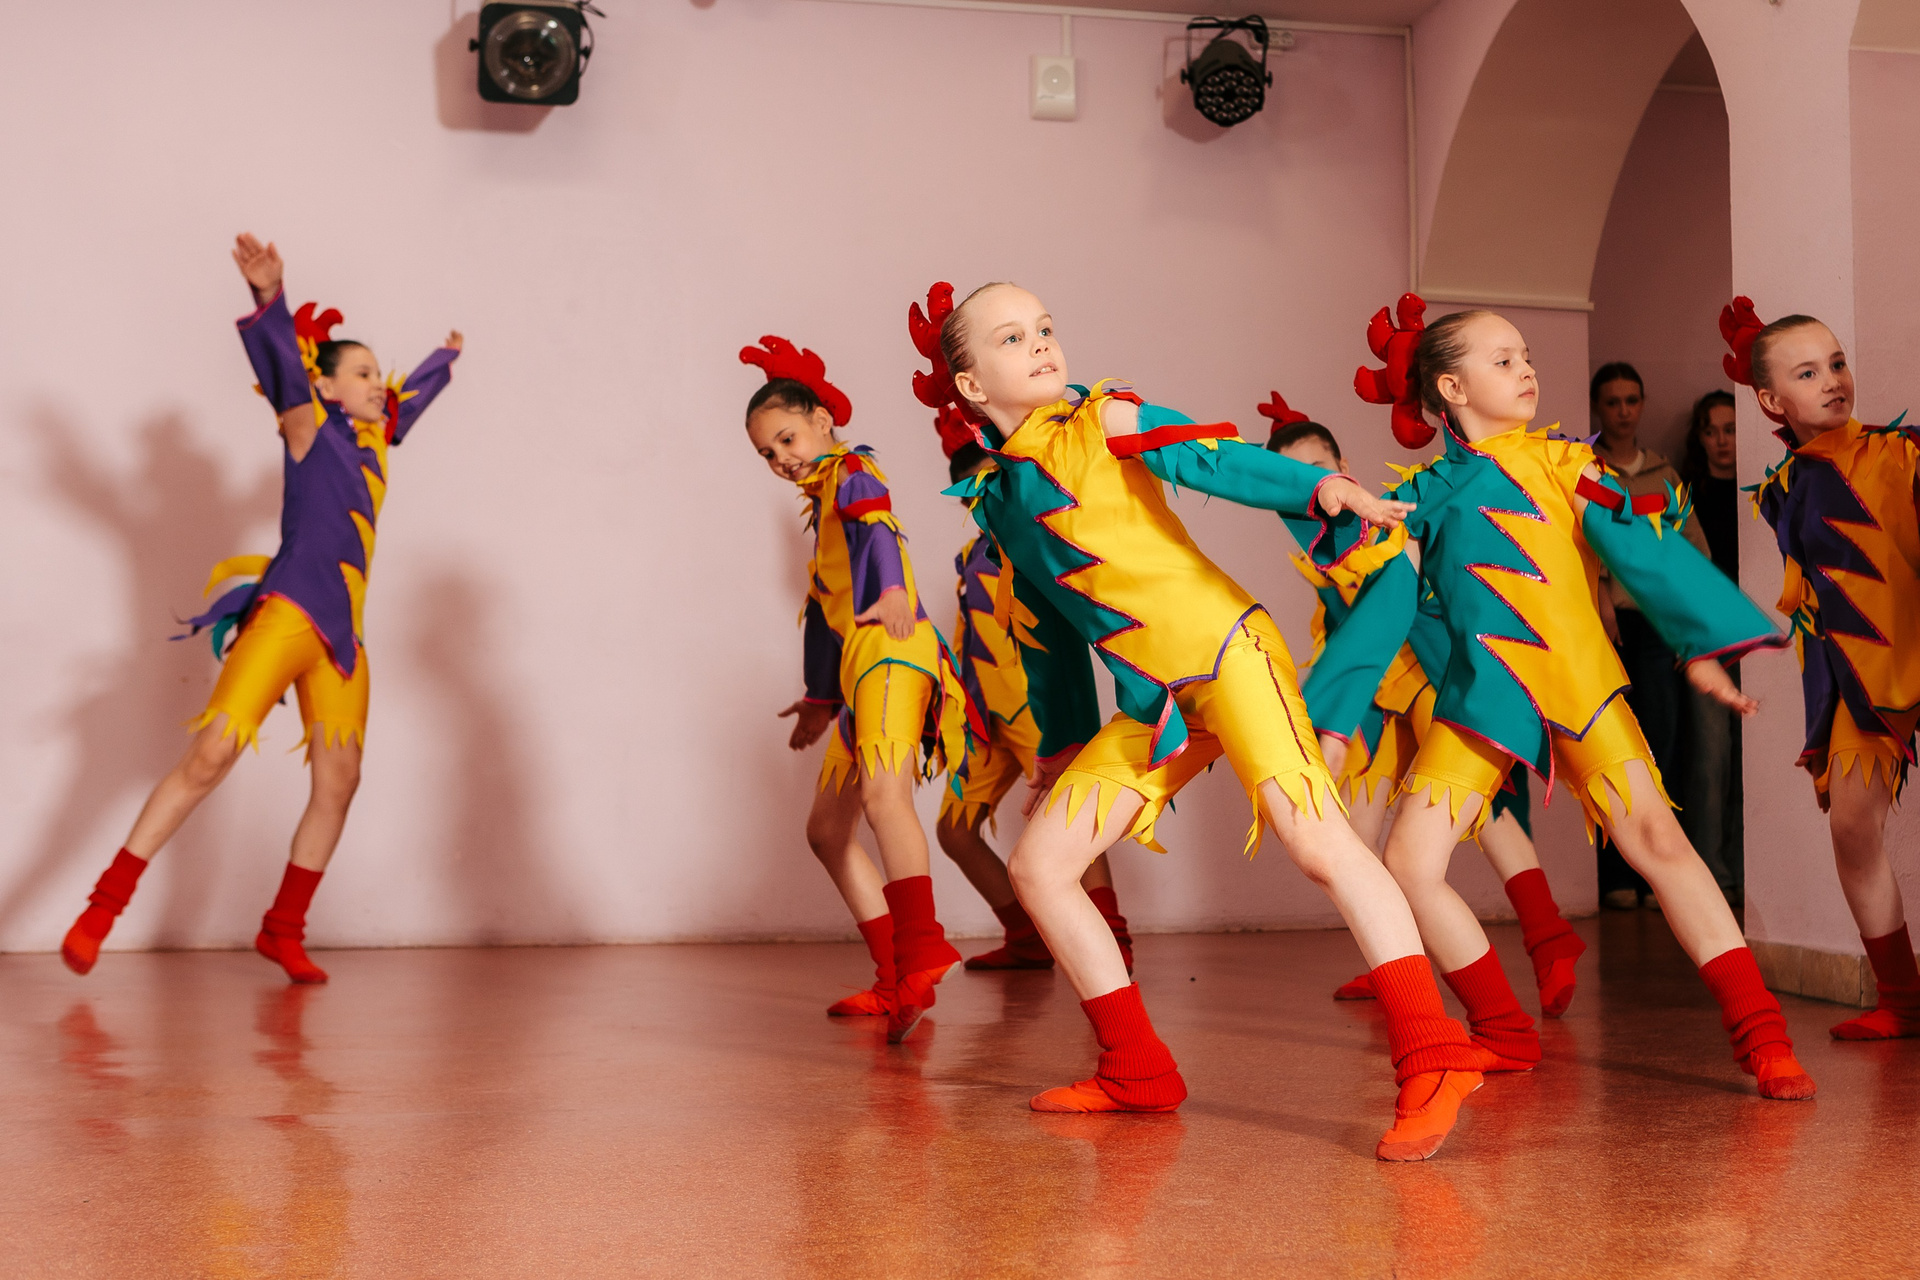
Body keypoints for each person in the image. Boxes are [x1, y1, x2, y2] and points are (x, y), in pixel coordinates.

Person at [929, 280, 1487, 1162]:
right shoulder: (997, 497)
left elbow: (1211, 459)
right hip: (1160, 705)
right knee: (1042, 866)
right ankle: (1137, 1068)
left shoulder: (1103, 417)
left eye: (1045, 327)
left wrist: (1322, 487)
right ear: (969, 385)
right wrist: (1064, 746)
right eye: (1011, 337)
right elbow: (1051, 631)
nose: (1039, 343)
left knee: (1317, 840)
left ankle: (1433, 1054)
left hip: (1230, 654)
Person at [1323, 295, 1814, 1100]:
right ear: (1451, 389)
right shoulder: (1421, 496)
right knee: (1409, 862)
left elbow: (1641, 549)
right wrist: (1335, 718)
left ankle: (1763, 1036)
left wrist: (1700, 645)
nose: (1527, 369)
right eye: (1504, 359)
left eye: (1526, 357)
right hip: (1482, 698)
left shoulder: (1563, 463)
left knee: (1659, 843)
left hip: (1579, 684)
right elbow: (1384, 609)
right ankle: (1503, 1030)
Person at [61, 234, 462, 984]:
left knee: (340, 780)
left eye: (378, 372)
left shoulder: (377, 441)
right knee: (211, 754)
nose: (378, 383)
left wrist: (446, 359)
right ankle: (102, 910)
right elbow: (283, 370)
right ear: (325, 387)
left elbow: (409, 401)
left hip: (342, 641)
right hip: (287, 616)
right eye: (363, 372)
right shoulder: (308, 431)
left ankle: (281, 929)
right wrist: (268, 295)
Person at [1261, 398, 1583, 1016]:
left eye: (1318, 471)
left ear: (1343, 471)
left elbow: (1414, 602)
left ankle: (1549, 938)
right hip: (1377, 698)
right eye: (1292, 480)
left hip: (1431, 676)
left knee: (1478, 811)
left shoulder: (1380, 522)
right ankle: (1393, 961)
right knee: (1354, 834)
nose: (1310, 488)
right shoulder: (1315, 548)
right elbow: (1345, 629)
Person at [743, 335, 974, 1044]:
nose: (781, 458)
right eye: (767, 453)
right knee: (827, 831)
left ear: (821, 420)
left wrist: (896, 589)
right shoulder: (821, 504)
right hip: (859, 670)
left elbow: (879, 528)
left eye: (787, 439)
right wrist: (819, 699)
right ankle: (894, 974)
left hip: (894, 651)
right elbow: (823, 612)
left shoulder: (851, 469)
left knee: (883, 797)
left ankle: (923, 948)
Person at [908, 286, 1133, 971]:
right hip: (986, 717)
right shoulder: (973, 555)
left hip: (1033, 711)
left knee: (1067, 815)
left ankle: (1112, 936)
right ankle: (1027, 936)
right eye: (977, 488)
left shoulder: (1033, 539)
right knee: (954, 830)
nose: (992, 494)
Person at [1722, 297, 1920, 1039]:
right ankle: (1903, 999)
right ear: (1771, 400)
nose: (1833, 379)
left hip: (1912, 652)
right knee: (1852, 830)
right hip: (1856, 681)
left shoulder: (1903, 454)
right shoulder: (1785, 487)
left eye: (1836, 363)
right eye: (1808, 372)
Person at [1589, 363, 1715, 910]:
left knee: (1661, 747)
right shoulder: (1586, 470)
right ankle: (1615, 876)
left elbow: (1693, 552)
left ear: (1642, 405)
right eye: (1612, 401)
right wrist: (1600, 599)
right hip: (1609, 627)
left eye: (1631, 400)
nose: (1623, 411)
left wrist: (1688, 627)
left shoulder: (1664, 473)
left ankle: (1659, 877)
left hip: (1658, 625)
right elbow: (1581, 546)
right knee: (1613, 752)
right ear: (1598, 408)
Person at [1678, 390, 1744, 903]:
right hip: (1706, 637)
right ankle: (1712, 876)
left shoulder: (1759, 492)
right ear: (1699, 438)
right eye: (1712, 430)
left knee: (1750, 760)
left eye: (1731, 429)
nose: (1722, 440)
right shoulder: (1688, 494)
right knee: (1710, 758)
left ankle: (1745, 871)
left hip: (1755, 636)